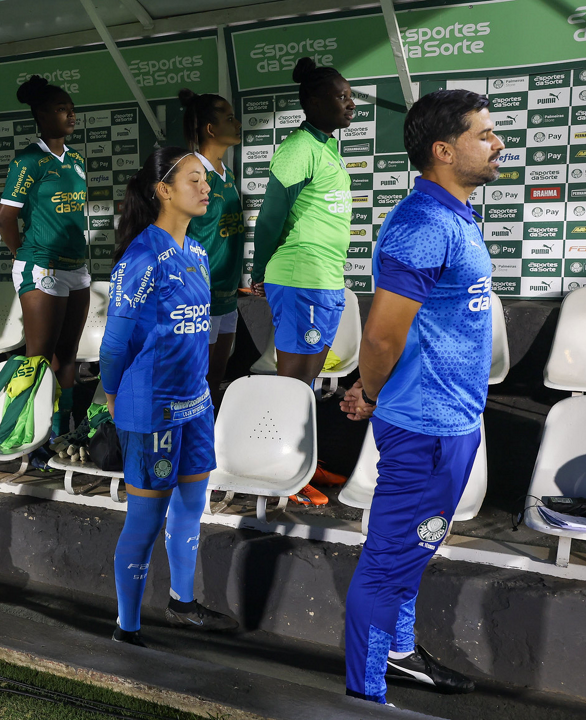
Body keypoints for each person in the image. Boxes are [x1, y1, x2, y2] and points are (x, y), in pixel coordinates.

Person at [336, 89, 497, 705]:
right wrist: (372, 393)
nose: (498, 143)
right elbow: (381, 334)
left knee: (411, 551)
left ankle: (398, 654)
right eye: (483, 134)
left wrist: (371, 392)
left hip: (451, 423)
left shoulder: (454, 216)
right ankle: (365, 697)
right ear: (444, 150)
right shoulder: (424, 224)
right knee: (387, 565)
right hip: (425, 429)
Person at [101, 149, 238, 647]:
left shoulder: (197, 252)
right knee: (145, 520)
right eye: (193, 180)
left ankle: (182, 603)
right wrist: (112, 394)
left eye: (206, 180)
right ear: (163, 190)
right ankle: (128, 628)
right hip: (152, 408)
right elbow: (114, 344)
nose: (206, 188)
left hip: (196, 405)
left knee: (191, 507)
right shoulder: (141, 257)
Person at [250, 57, 357, 504]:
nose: (350, 103)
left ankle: (305, 463)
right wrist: (259, 270)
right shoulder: (298, 148)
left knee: (307, 385)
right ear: (312, 101)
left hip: (323, 282)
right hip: (298, 279)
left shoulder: (327, 147)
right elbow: (270, 216)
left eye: (350, 96)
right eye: (340, 96)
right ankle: (283, 472)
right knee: (292, 384)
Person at [0, 75, 88, 442]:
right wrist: (24, 255)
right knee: (38, 357)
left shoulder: (76, 160)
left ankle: (60, 434)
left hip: (77, 268)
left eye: (71, 108)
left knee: (68, 355)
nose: (70, 114)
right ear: (41, 115)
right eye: (61, 109)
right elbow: (5, 218)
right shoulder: (29, 160)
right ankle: (27, 434)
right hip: (41, 266)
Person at [177, 89, 243, 405]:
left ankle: (211, 430)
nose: (238, 123)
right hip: (202, 293)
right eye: (229, 118)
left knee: (216, 377)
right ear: (210, 129)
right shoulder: (193, 173)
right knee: (196, 380)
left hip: (227, 293)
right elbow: (175, 233)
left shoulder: (226, 173)